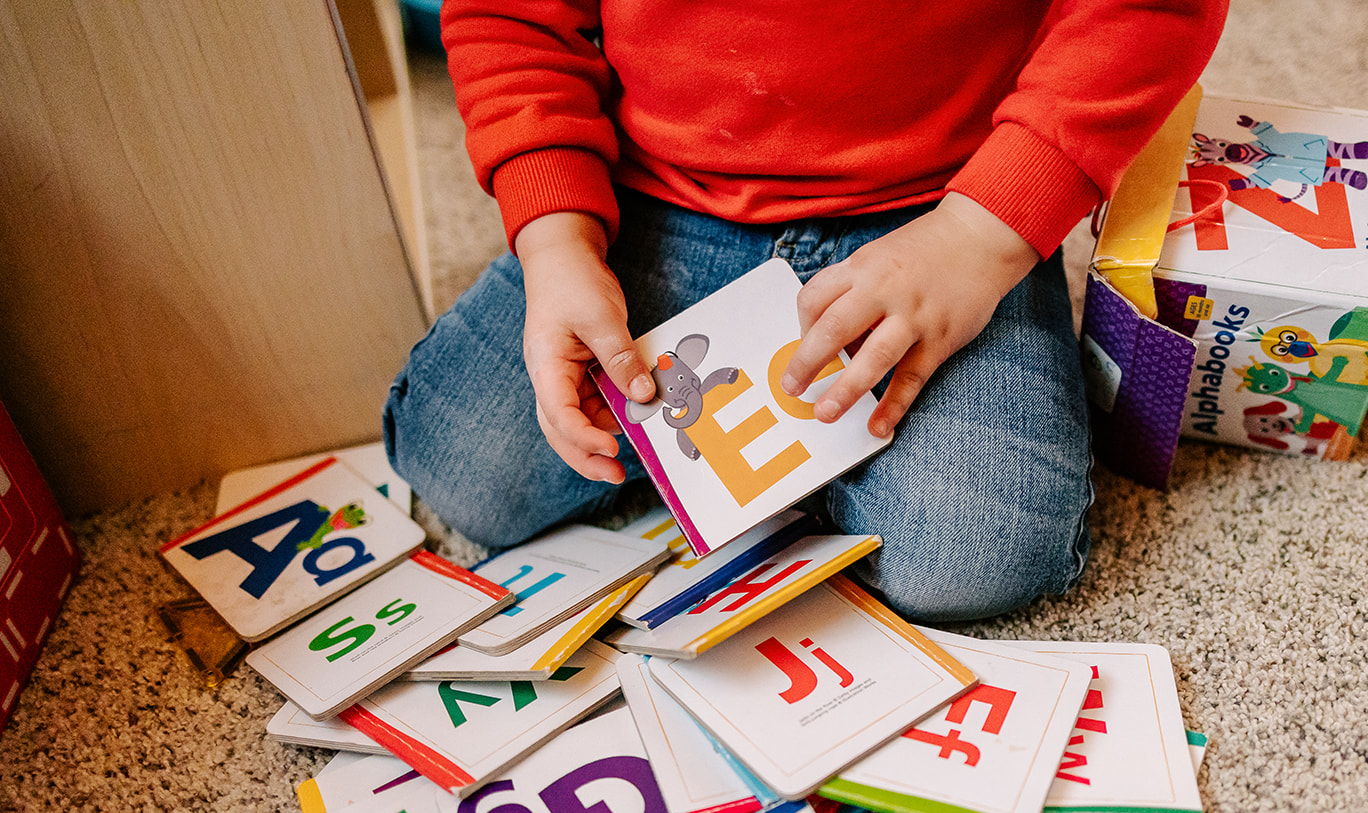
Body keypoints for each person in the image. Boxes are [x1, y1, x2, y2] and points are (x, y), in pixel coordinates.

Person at [383, 0, 1230, 621]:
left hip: (949, 210)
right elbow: (510, 16)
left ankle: (782, 462)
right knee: (465, 466)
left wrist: (987, 235)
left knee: (971, 556)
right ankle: (798, 467)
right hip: (653, 190)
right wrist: (556, 240)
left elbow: (1144, 13)